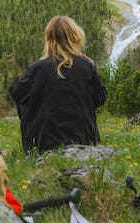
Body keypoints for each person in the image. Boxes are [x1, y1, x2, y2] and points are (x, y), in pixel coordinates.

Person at [10, 15, 107, 153]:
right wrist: (93, 68)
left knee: (25, 95)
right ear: (75, 37)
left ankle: (32, 142)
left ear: (49, 38)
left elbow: (16, 92)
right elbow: (100, 99)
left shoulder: (38, 67)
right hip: (84, 140)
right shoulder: (86, 66)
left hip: (44, 143)